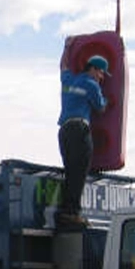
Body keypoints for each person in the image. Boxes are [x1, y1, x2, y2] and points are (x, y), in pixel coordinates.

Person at [55, 39, 110, 228]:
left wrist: (67, 47)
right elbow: (101, 107)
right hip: (79, 130)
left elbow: (62, 66)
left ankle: (66, 210)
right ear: (94, 69)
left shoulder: (69, 79)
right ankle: (71, 213)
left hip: (64, 132)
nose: (102, 77)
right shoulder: (91, 85)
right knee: (79, 172)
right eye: (101, 72)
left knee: (71, 171)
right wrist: (107, 99)